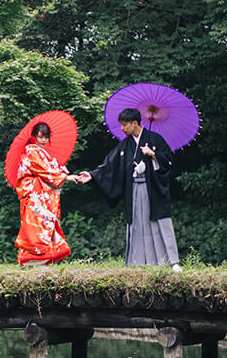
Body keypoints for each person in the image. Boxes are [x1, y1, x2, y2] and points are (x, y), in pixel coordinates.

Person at [77, 107, 182, 271]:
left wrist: (153, 155)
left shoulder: (155, 139)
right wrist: (92, 175)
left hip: (152, 189)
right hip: (134, 189)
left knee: (157, 221)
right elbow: (110, 165)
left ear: (135, 123)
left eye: (125, 124)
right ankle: (137, 261)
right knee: (137, 222)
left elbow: (167, 162)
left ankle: (171, 261)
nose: (122, 128)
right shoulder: (125, 145)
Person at [14, 121, 79, 267]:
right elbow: (43, 170)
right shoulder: (31, 151)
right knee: (34, 225)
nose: (43, 140)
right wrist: (65, 176)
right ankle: (30, 260)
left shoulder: (41, 152)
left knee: (45, 223)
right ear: (34, 137)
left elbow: (50, 167)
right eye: (40, 137)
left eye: (46, 137)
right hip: (33, 194)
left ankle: (40, 260)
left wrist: (62, 170)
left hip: (40, 193)